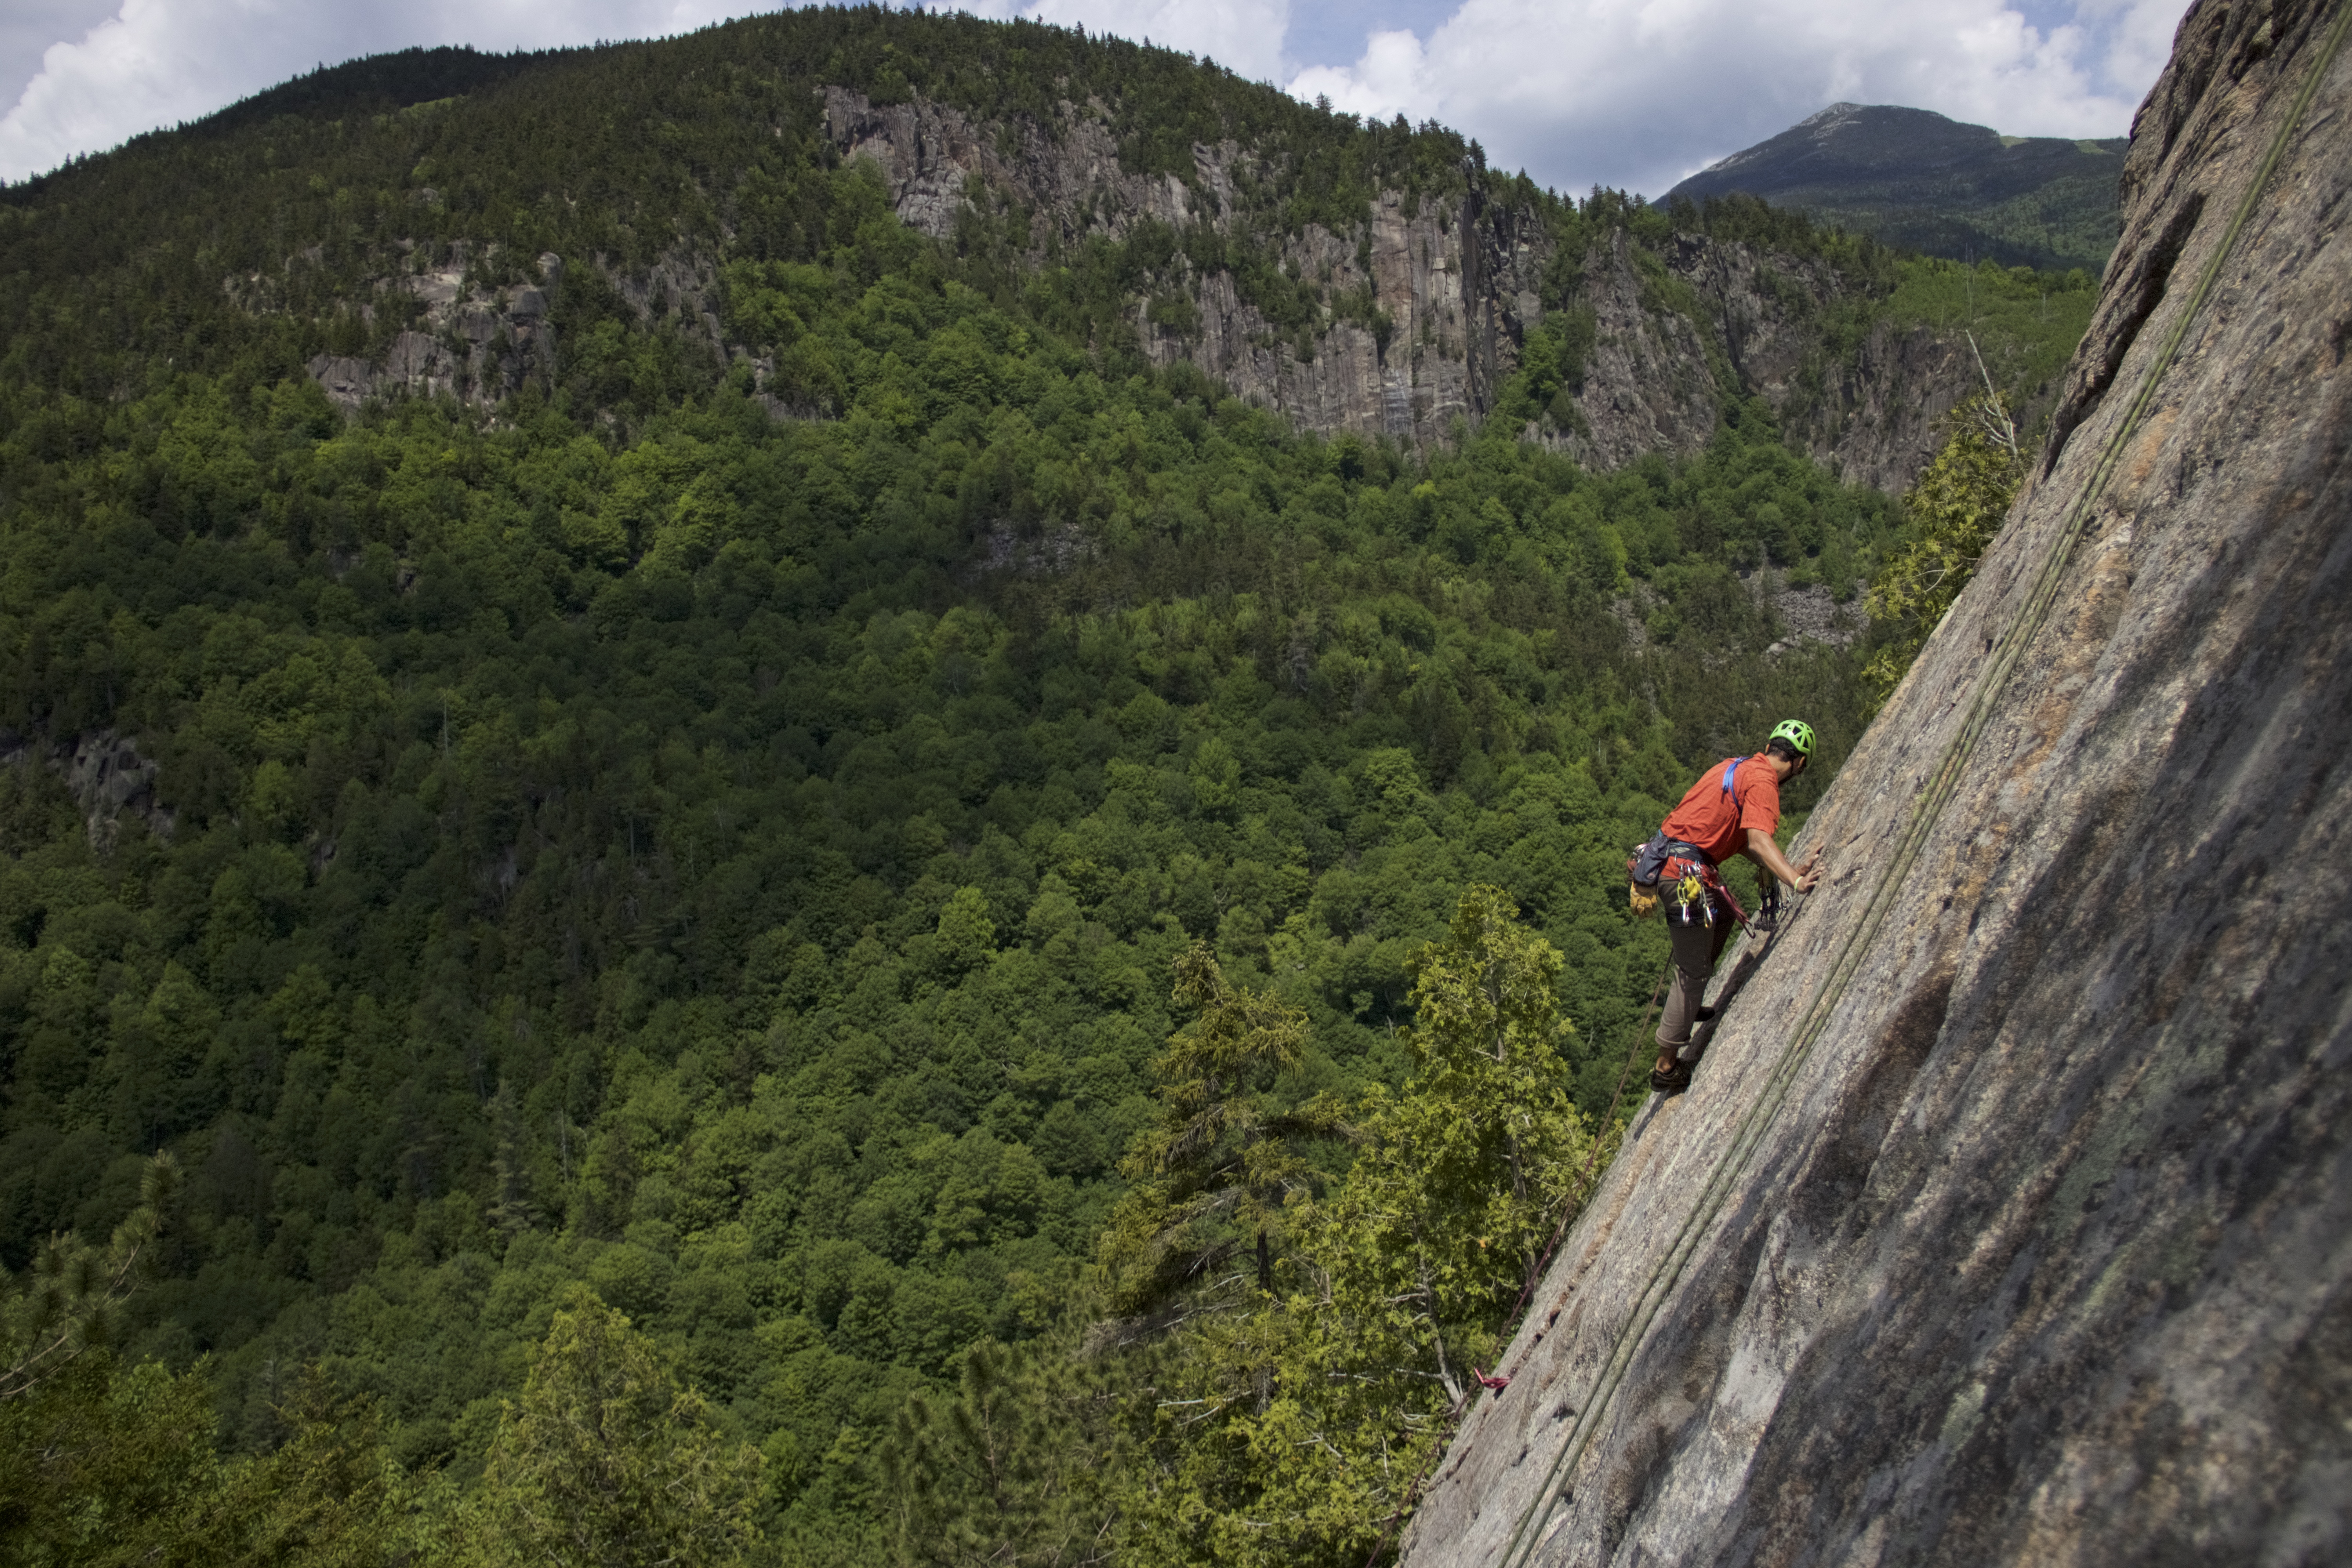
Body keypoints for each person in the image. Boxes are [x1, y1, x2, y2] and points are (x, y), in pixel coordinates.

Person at [1648, 720, 1823, 1093]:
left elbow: (1740, 839)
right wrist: (1796, 880)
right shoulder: (1763, 783)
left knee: (1724, 913)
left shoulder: (1736, 766)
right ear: (1800, 763)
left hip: (1673, 865)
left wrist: (1787, 866)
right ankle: (1665, 1068)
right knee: (1692, 972)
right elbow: (1758, 840)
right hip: (1684, 875)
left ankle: (1690, 1009)